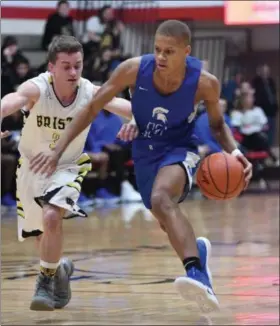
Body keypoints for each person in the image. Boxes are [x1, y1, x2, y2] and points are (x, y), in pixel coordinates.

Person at [29, 20, 253, 313]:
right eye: (158, 50)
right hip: (146, 151)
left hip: (180, 148)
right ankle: (197, 251)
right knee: (162, 214)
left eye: (169, 52)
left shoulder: (204, 83)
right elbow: (92, 107)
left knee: (162, 198)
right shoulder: (133, 70)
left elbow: (217, 125)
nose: (161, 57)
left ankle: (197, 273)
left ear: (186, 52)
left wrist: (235, 152)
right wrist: (59, 149)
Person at [0, 35, 133, 311]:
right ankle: (60, 268)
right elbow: (10, 101)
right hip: (32, 168)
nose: (73, 72)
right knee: (43, 235)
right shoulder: (37, 87)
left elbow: (125, 107)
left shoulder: (89, 92)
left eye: (77, 65)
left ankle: (45, 282)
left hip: (67, 166)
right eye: (66, 66)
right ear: (51, 67)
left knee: (52, 216)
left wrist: (136, 120)